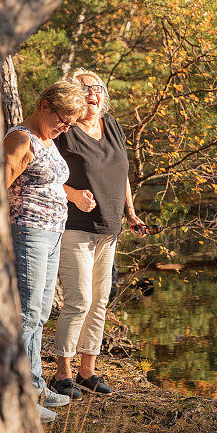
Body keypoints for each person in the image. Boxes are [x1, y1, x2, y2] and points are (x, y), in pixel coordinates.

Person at [49, 68, 145, 399]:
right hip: (75, 227)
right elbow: (42, 173)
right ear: (75, 95)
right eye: (86, 88)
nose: (94, 93)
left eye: (99, 88)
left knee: (100, 301)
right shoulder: (64, 131)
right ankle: (61, 375)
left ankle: (87, 372)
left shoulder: (113, 127)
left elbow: (123, 174)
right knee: (79, 301)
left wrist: (130, 213)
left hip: (109, 229)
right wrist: (73, 194)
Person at [4, 80, 88, 423]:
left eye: (70, 123)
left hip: (52, 234)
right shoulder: (21, 137)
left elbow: (50, 182)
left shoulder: (47, 141)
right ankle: (17, 397)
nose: (64, 127)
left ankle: (35, 384)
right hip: (28, 232)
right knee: (26, 312)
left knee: (39, 314)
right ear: (45, 106)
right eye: (62, 119)